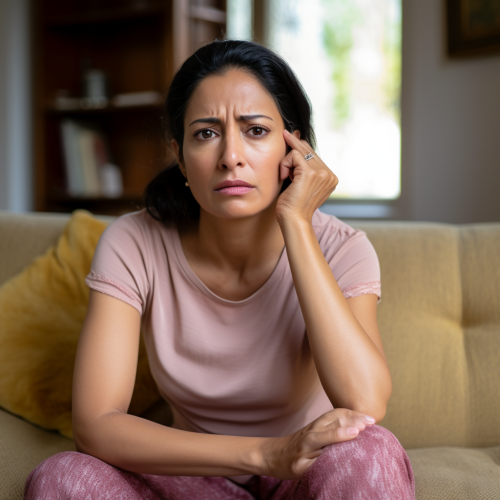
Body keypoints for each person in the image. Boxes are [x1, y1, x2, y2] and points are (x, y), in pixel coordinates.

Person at [25, 39, 415, 499]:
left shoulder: (342, 248)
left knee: (370, 449)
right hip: (190, 476)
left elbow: (364, 402)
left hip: (307, 474)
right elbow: (95, 425)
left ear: (295, 148)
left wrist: (297, 224)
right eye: (206, 133)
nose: (231, 156)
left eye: (255, 131)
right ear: (181, 156)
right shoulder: (134, 242)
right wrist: (267, 453)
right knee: (62, 476)